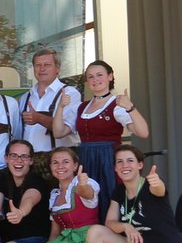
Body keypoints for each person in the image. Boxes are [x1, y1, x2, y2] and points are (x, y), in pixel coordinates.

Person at [83, 146, 180, 243]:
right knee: (95, 232)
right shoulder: (120, 191)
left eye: (130, 161)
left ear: (140, 165)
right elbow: (109, 223)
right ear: (115, 168)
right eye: (119, 162)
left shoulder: (150, 186)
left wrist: (157, 183)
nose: (124, 165)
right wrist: (125, 227)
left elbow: (159, 189)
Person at [54, 60, 149, 211]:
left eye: (99, 75)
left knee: (108, 198)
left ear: (110, 76)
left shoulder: (117, 105)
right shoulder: (81, 107)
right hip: (85, 158)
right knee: (86, 200)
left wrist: (130, 107)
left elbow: (143, 132)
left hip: (108, 160)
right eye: (90, 76)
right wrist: (60, 107)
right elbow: (58, 133)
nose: (95, 79)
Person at [27, 147, 103, 243]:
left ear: (75, 166)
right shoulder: (54, 194)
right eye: (55, 162)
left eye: (65, 162)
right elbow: (55, 231)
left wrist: (82, 184)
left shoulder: (85, 183)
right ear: (50, 167)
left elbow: (87, 193)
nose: (60, 166)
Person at [21, 46, 80, 155]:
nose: (42, 69)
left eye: (47, 65)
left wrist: (38, 118)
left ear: (57, 69)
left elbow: (65, 129)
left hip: (56, 161)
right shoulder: (26, 97)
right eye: (38, 65)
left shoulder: (69, 93)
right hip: (28, 160)